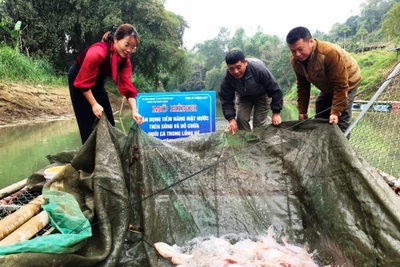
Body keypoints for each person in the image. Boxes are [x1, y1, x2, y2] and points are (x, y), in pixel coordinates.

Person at [68, 24, 144, 144]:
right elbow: (83, 83)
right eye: (127, 45)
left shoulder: (124, 61)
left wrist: (134, 111)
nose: (129, 50)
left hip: (97, 82)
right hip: (79, 78)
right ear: (115, 39)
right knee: (87, 125)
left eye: (133, 47)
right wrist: (94, 104)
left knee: (109, 122)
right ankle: (91, 160)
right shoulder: (98, 52)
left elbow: (128, 89)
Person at [286, 26, 361, 133]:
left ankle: (341, 148)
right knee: (321, 107)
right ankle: (322, 145)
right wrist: (302, 111)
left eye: (300, 49)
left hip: (348, 82)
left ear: (311, 42)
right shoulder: (295, 60)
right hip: (327, 85)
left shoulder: (329, 53)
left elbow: (341, 85)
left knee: (340, 118)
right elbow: (303, 86)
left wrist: (335, 112)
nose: (297, 54)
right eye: (293, 51)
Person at [219, 50, 284, 135]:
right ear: (228, 67)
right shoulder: (227, 78)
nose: (236, 72)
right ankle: (248, 144)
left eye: (238, 67)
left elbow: (275, 90)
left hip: (262, 95)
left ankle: (259, 145)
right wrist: (231, 119)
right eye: (231, 69)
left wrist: (276, 113)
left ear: (245, 63)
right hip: (243, 96)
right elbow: (226, 100)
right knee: (241, 120)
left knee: (259, 124)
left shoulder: (259, 69)